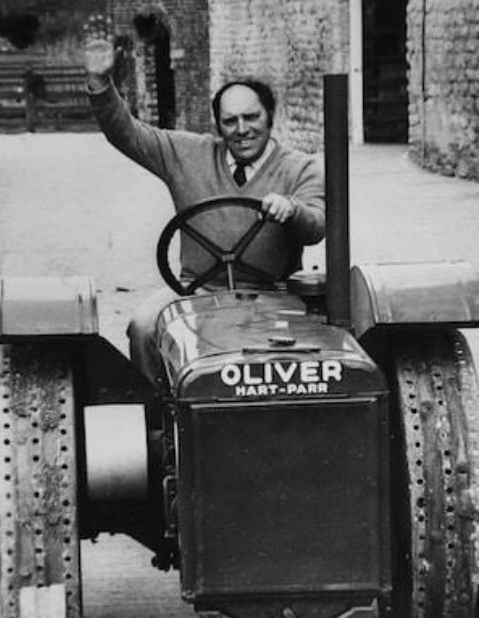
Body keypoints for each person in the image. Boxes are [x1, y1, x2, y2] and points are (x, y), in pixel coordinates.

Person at [83, 16, 325, 386]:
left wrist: (291, 210)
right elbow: (127, 133)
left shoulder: (300, 168)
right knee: (144, 326)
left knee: (307, 356)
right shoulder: (187, 154)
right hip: (195, 291)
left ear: (270, 117)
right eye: (230, 121)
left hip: (273, 294)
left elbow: (317, 224)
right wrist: (101, 83)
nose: (242, 130)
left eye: (251, 117)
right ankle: (165, 418)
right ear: (218, 125)